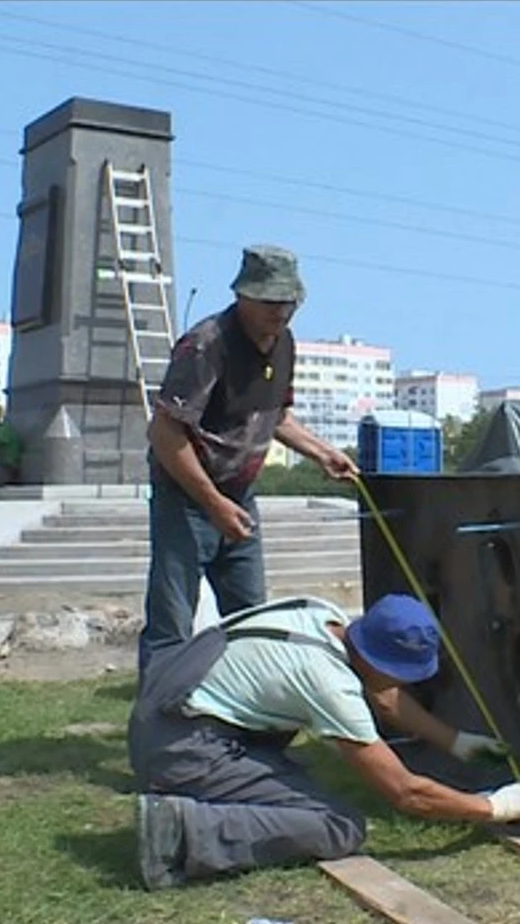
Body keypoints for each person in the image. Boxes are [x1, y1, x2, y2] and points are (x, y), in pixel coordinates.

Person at [130, 592, 520, 890]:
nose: (404, 685)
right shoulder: (329, 684)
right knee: (337, 826)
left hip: (170, 708)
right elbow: (406, 793)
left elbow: (383, 697)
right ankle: (177, 831)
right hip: (179, 744)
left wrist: (457, 742)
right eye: (402, 674)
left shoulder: (323, 615)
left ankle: (202, 798)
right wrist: (495, 806)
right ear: (378, 660)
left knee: (299, 785)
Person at [140, 245, 358, 676]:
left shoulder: (283, 344)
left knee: (253, 620)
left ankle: (245, 718)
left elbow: (273, 415)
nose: (280, 312)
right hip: (186, 497)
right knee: (172, 621)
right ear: (243, 296)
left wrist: (322, 453)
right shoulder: (205, 346)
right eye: (270, 301)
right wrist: (213, 505)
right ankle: (158, 722)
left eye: (288, 302)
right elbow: (165, 433)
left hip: (241, 494)